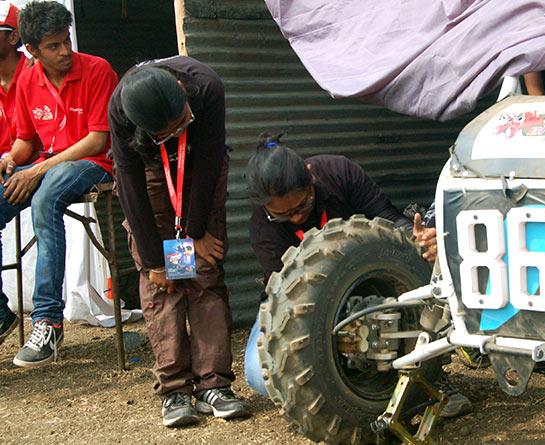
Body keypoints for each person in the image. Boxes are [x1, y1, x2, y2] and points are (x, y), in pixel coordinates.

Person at [243, 133, 471, 418]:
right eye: (283, 215)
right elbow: (288, 294)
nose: (296, 219)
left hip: (371, 285)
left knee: (413, 269)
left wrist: (419, 238)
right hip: (308, 303)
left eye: (302, 206)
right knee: (258, 374)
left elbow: (389, 218)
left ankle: (429, 376)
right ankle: (353, 383)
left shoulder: (338, 172)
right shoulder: (262, 225)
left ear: (311, 177)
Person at [109, 56, 248, 427]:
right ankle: (174, 389)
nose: (181, 126)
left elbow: (207, 160)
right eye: (168, 129)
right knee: (165, 284)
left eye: (182, 119)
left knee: (203, 274)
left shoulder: (206, 85)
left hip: (200, 174)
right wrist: (156, 260)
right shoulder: (121, 108)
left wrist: (194, 232)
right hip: (155, 179)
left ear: (183, 94)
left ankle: (214, 384)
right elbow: (131, 187)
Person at [0, 1, 116, 366]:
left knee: (46, 194)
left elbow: (98, 140)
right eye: (53, 46)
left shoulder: (97, 69)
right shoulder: (27, 82)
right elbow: (26, 141)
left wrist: (35, 169)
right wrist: (12, 160)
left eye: (66, 40)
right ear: (31, 50)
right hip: (46, 165)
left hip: (94, 164)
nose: (65, 51)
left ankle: (48, 319)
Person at [0, 2, 32, 346]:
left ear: (12, 37)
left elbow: (35, 138)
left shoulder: (35, 74)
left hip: (36, 168)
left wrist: (10, 157)